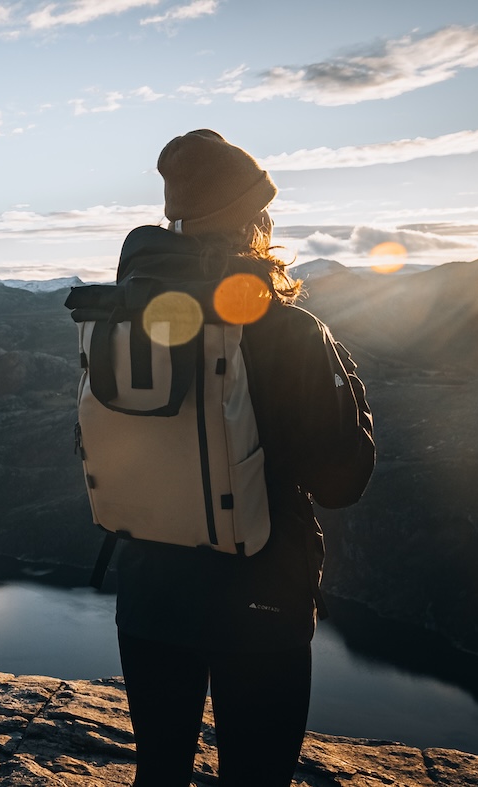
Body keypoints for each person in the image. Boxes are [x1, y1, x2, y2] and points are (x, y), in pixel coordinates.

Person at [113, 129, 375, 786]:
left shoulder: (128, 318)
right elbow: (342, 478)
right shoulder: (289, 331)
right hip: (261, 600)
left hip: (149, 591)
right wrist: (356, 399)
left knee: (159, 774)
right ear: (253, 221)